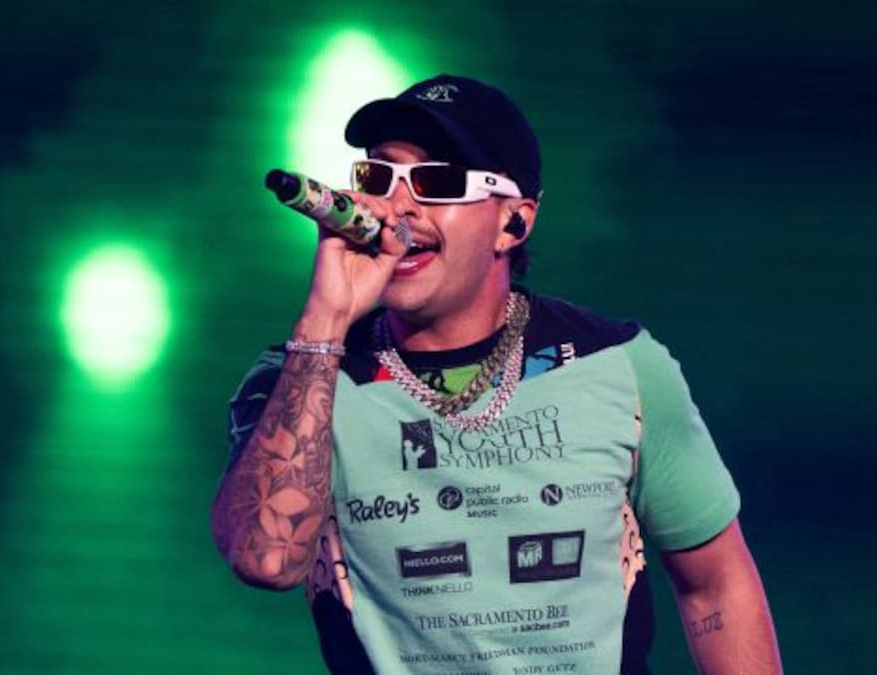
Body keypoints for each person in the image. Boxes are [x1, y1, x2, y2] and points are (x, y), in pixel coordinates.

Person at [211, 74, 782, 674]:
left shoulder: (619, 364)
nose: (397, 207)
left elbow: (716, 586)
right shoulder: (303, 377)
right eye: (378, 177)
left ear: (514, 222)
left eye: (435, 182)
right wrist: (326, 320)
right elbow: (265, 559)